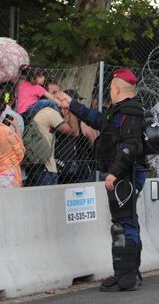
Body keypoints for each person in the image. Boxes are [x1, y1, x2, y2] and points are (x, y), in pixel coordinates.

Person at [56, 68, 148, 292]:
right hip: (122, 173)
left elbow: (131, 146)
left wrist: (114, 173)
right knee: (123, 223)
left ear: (117, 89)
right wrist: (72, 105)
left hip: (127, 173)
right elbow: (99, 121)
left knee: (125, 224)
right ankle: (126, 273)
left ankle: (126, 277)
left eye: (111, 87)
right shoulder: (119, 111)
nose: (110, 90)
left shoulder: (130, 112)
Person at [25, 89, 79, 186]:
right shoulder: (50, 112)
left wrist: (66, 110)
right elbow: (74, 132)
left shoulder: (42, 111)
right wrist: (71, 107)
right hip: (46, 169)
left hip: (37, 165)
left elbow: (64, 122)